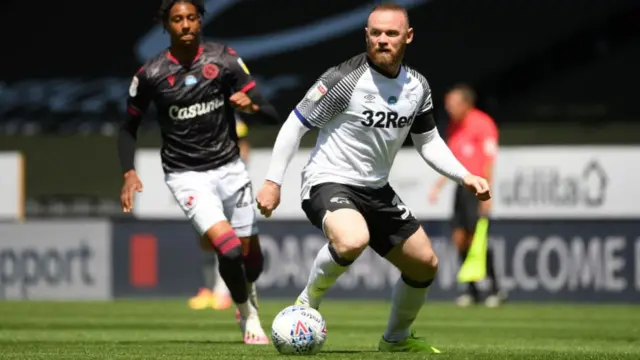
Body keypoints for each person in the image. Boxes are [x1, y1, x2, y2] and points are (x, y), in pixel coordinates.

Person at [256, 2, 490, 353]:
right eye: (375, 33)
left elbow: (428, 143)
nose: (382, 40)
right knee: (352, 239)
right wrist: (273, 181)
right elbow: (295, 125)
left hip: (377, 190)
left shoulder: (417, 87)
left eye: (391, 33)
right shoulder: (343, 79)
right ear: (366, 35)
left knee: (425, 264)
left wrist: (464, 175)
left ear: (407, 37)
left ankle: (395, 340)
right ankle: (306, 303)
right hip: (328, 180)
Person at [117, 0, 277, 345]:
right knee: (229, 249)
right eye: (178, 19)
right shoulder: (151, 75)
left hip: (231, 168)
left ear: (200, 21)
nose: (186, 25)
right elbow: (128, 128)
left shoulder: (224, 59)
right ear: (167, 26)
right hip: (186, 175)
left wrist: (252, 106)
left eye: (191, 18)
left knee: (253, 260)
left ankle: (247, 292)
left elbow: (270, 113)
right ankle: (248, 315)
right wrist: (129, 172)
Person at [428, 84, 505, 308]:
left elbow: (489, 160)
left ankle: (494, 288)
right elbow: (451, 159)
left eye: (453, 103)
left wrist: (487, 192)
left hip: (477, 188)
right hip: (461, 189)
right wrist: (438, 186)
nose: (449, 108)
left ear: (466, 103)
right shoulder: (453, 126)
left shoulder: (483, 123)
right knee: (459, 239)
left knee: (477, 239)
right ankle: (471, 289)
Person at [189, 115, 252, 311]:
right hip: (203, 187)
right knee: (206, 239)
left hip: (228, 187)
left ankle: (223, 291)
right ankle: (208, 289)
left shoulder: (231, 118)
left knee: (226, 239)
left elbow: (243, 146)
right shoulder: (197, 115)